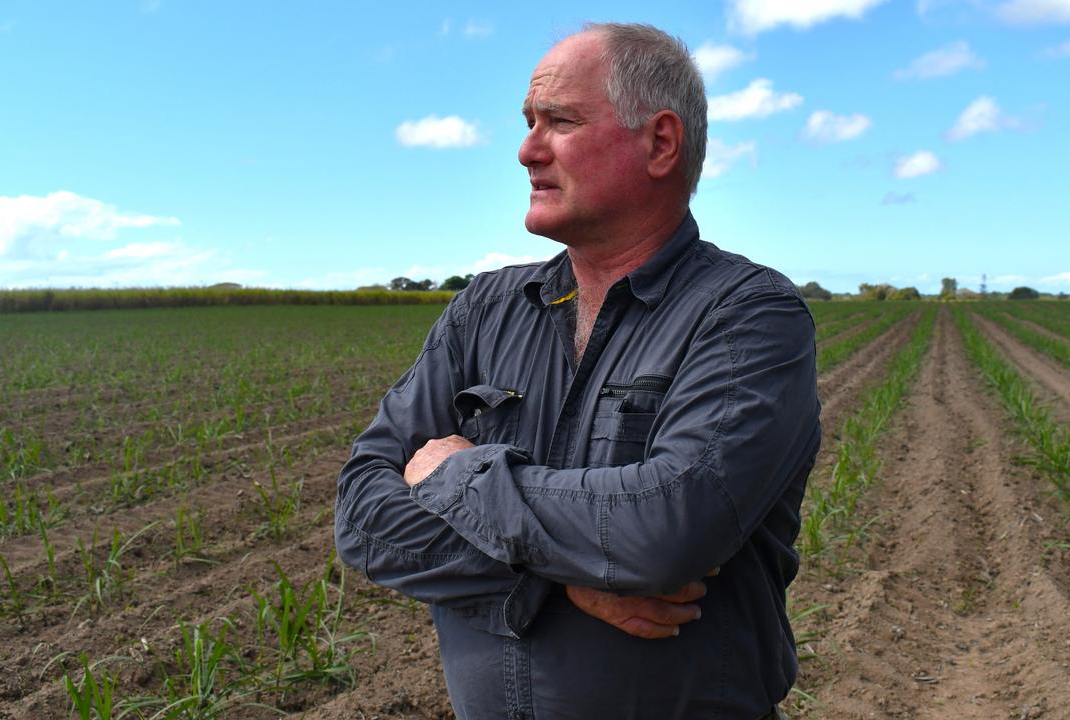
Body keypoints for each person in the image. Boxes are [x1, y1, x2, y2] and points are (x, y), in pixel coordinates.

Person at [335, 22, 820, 719]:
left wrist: (453, 474)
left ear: (659, 142)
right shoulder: (485, 309)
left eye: (559, 121)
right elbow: (362, 513)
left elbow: (666, 528)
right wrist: (558, 581)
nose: (527, 149)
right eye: (529, 123)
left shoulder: (748, 316)